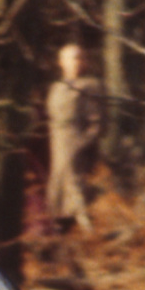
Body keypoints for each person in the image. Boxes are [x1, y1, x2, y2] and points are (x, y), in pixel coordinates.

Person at [44, 42, 106, 232]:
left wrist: (82, 144)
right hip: (57, 140)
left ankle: (88, 230)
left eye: (80, 57)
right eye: (72, 58)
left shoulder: (90, 86)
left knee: (74, 183)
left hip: (75, 140)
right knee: (57, 183)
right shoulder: (56, 87)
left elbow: (97, 121)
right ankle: (58, 227)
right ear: (61, 62)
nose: (77, 62)